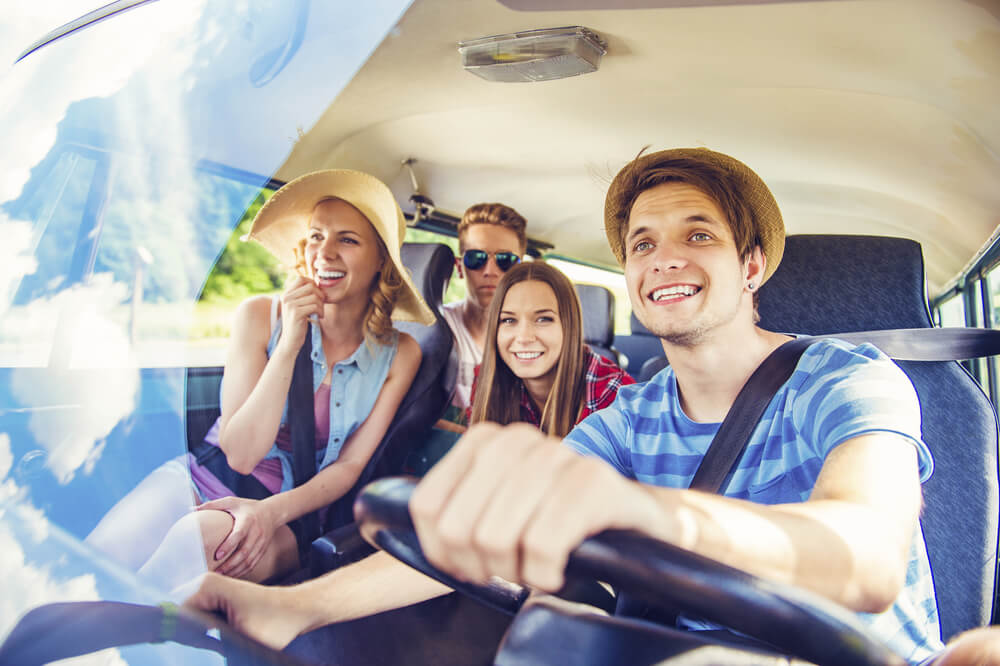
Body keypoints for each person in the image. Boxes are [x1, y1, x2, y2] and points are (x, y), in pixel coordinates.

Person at [187, 149, 995, 664]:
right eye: (642, 244)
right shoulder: (629, 421)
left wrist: (647, 513)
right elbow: (482, 542)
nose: (663, 257)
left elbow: (867, 551)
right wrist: (291, 608)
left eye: (698, 236)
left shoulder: (843, 378)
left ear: (752, 265)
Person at [87, 169, 433, 587]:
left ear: (381, 260)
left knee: (182, 555)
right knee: (95, 565)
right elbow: (241, 454)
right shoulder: (257, 316)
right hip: (203, 475)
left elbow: (349, 466)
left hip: (288, 512)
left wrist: (269, 514)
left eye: (348, 239)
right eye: (317, 236)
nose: (325, 252)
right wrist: (289, 344)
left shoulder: (402, 353)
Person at [468, 260, 633, 437]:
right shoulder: (486, 379)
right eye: (508, 320)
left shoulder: (614, 394)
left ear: (569, 326)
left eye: (543, 319)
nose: (524, 337)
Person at [437, 202, 528, 432]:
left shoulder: (533, 342)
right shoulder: (434, 329)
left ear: (520, 269)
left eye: (505, 260)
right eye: (476, 258)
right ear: (459, 267)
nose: (490, 270)